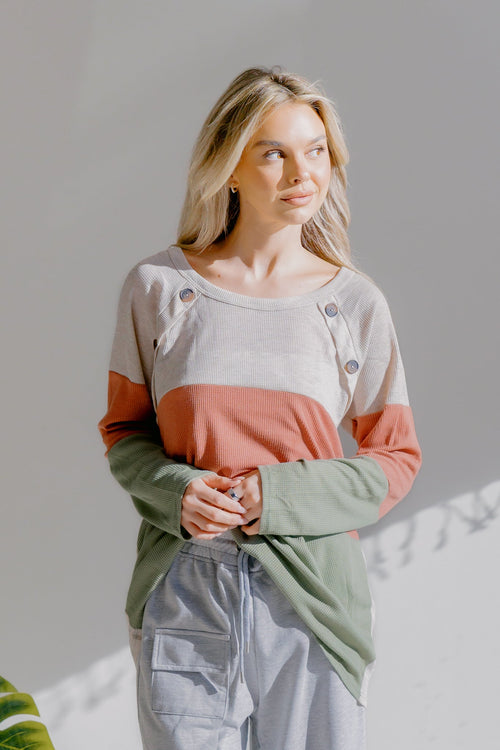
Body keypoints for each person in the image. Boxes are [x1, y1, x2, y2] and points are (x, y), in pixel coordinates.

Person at [98, 65, 422, 750]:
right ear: (230, 169)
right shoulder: (159, 288)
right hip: (185, 589)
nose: (303, 173)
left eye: (316, 150)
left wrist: (276, 496)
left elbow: (396, 458)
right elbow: (124, 432)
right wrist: (178, 490)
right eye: (274, 152)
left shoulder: (353, 304)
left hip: (312, 596)